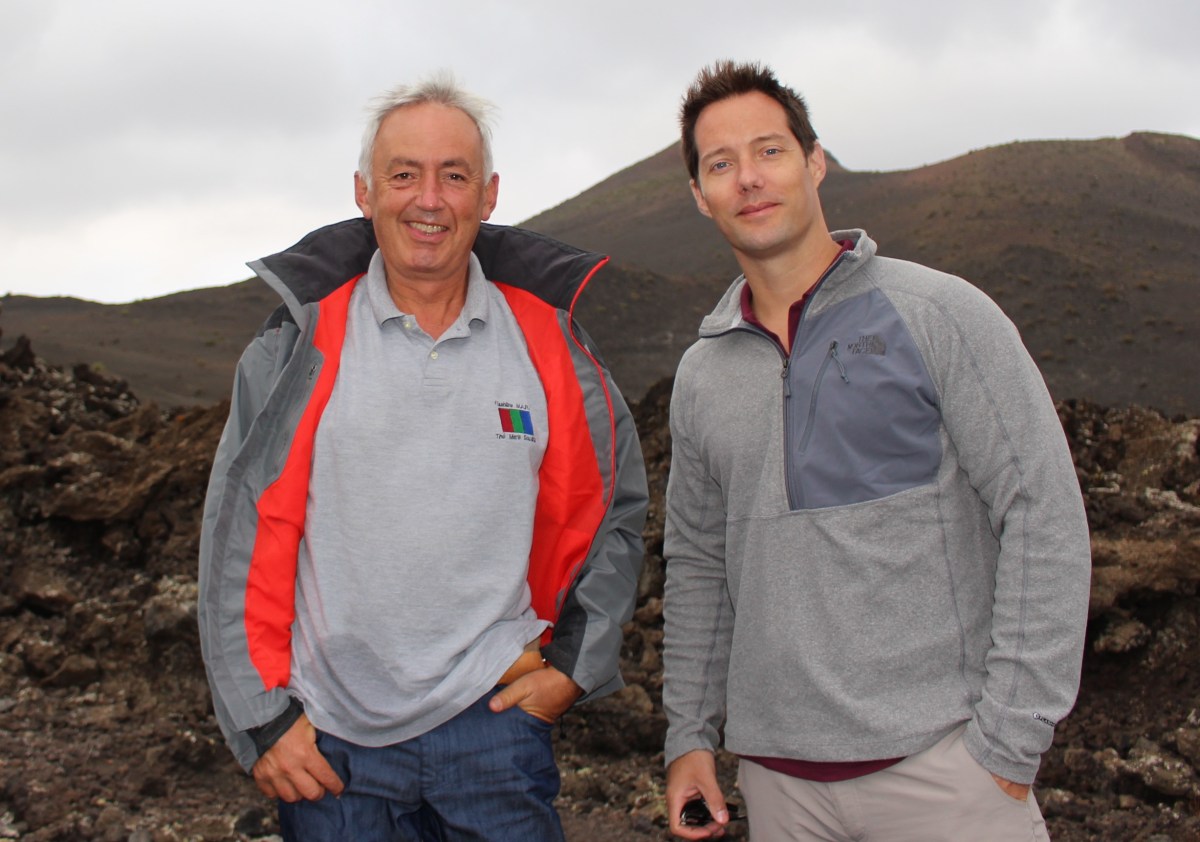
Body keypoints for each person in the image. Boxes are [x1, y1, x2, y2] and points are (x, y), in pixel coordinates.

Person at [197, 73, 648, 841]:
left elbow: (614, 512)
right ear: (365, 193)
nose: (428, 200)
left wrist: (576, 665)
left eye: (454, 175)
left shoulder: (551, 346)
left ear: (490, 194)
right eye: (403, 175)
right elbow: (236, 535)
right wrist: (261, 720)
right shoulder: (294, 347)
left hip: (495, 728)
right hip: (330, 743)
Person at [661, 60, 1091, 841]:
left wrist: (1009, 741)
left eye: (770, 151)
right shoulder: (701, 374)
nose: (748, 180)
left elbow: (1042, 513)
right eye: (720, 165)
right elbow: (695, 563)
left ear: (815, 161)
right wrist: (688, 734)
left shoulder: (939, 314)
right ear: (699, 194)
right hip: (781, 788)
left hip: (947, 773)